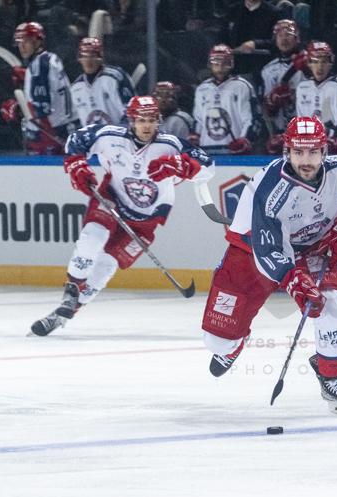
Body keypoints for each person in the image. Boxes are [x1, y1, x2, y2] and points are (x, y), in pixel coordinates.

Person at [201, 116, 337, 415]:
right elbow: (268, 249)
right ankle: (233, 343)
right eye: (299, 152)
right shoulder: (269, 188)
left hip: (313, 246)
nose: (306, 159)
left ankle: (331, 376)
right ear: (286, 151)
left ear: (324, 150)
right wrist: (294, 281)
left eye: (313, 151)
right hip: (251, 249)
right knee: (216, 341)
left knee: (333, 304)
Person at [30, 96, 215, 336]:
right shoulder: (109, 136)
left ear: (158, 121)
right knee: (92, 237)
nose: (146, 126)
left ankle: (62, 315)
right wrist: (77, 165)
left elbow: (209, 167)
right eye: (141, 120)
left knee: (105, 267)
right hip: (112, 200)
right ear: (131, 121)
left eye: (151, 120)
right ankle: (71, 289)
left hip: (145, 221)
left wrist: (182, 166)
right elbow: (76, 140)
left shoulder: (172, 145)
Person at [0, 22, 77, 155]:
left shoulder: (37, 67)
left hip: (52, 136)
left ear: (38, 42)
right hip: (69, 128)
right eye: (19, 42)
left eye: (27, 41)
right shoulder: (51, 58)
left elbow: (42, 109)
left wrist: (17, 109)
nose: (21, 46)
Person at [247, 19, 309, 154]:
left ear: (297, 38)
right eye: (280, 36)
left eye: (288, 35)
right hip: (282, 133)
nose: (284, 39)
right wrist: (272, 102)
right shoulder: (268, 70)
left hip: (309, 131)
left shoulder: (311, 61)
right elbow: (267, 112)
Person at [192, 44, 259, 154]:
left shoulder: (241, 86)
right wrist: (195, 136)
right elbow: (198, 119)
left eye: (224, 61)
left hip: (234, 149)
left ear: (231, 63)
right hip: (206, 148)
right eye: (216, 61)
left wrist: (245, 139)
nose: (220, 65)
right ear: (210, 63)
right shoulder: (202, 89)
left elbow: (251, 119)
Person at [294, 41, 337, 155]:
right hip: (310, 146)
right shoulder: (302, 87)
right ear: (309, 63)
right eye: (315, 62)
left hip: (336, 146)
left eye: (324, 62)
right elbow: (301, 121)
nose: (320, 67)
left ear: (331, 63)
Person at [70, 37, 136, 127]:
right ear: (79, 59)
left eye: (93, 56)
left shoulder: (116, 77)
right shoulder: (75, 88)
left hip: (118, 137)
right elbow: (75, 122)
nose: (88, 61)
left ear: (101, 58)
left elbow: (132, 113)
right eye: (85, 56)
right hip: (91, 140)